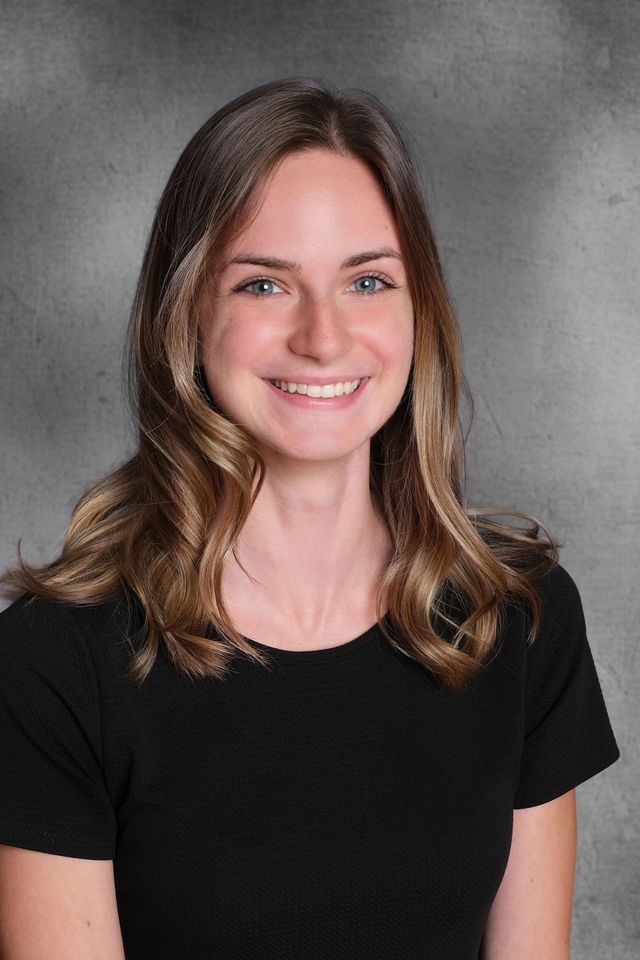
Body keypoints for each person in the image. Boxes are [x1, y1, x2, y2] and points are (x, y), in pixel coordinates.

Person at [0, 77, 620, 960]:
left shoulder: (519, 617)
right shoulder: (53, 663)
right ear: (187, 315)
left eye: (368, 280)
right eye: (264, 285)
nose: (323, 338)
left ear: (418, 310)